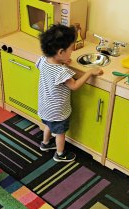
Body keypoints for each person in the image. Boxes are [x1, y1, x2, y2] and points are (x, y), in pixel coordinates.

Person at [36, 24, 103, 162]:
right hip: (58, 111)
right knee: (60, 132)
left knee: (48, 125)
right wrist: (90, 72)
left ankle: (45, 144)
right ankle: (60, 154)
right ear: (60, 52)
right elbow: (74, 86)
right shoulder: (62, 71)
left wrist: (63, 62)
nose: (72, 52)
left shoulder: (43, 60)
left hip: (44, 107)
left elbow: (50, 69)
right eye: (70, 49)